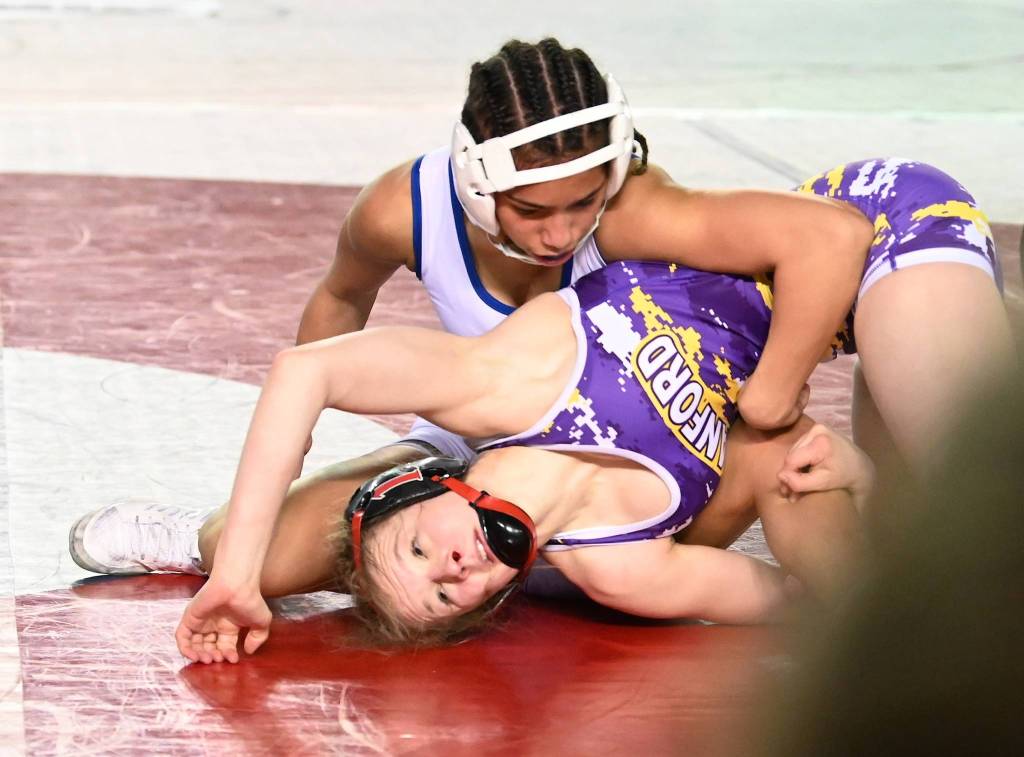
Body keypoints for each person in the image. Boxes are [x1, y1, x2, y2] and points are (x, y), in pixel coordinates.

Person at [168, 259, 874, 662]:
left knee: (244, 552)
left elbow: (303, 370)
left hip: (827, 237)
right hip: (859, 312)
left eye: (418, 547)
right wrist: (862, 482)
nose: (448, 568)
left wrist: (234, 578)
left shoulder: (507, 382)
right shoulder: (623, 568)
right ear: (494, 597)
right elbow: (803, 599)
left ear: (427, 489)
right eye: (445, 595)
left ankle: (208, 542)